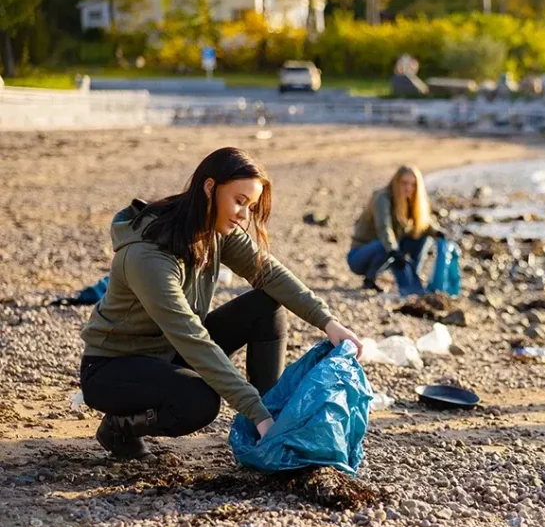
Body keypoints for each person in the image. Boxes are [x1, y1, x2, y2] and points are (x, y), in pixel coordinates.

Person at [79, 147, 363, 460]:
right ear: (210, 187)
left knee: (266, 308)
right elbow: (190, 337)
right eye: (239, 201)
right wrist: (253, 410)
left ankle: (271, 426)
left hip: (169, 352)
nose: (244, 215)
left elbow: (269, 273)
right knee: (198, 401)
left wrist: (328, 322)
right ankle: (120, 428)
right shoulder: (147, 257)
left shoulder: (214, 230)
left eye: (250, 206)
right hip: (112, 368)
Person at [348, 164, 444, 293]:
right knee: (384, 245)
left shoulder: (410, 200)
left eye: (413, 185)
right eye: (404, 183)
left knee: (422, 236)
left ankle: (413, 277)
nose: (408, 188)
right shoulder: (382, 198)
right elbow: (384, 228)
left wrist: (437, 232)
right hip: (360, 257)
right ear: (396, 182)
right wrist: (394, 251)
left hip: (387, 253)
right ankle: (370, 279)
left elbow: (424, 223)